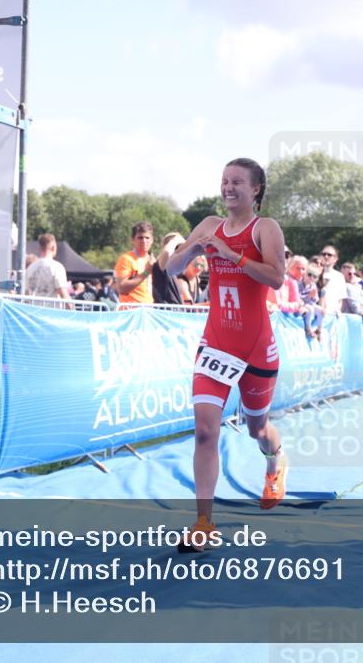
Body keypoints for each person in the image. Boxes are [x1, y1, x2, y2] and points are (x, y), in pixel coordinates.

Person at [166, 157, 288, 548]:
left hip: (256, 347)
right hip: (217, 343)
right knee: (205, 431)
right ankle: (204, 523)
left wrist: (232, 255)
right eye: (224, 181)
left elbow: (276, 278)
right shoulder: (208, 225)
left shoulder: (265, 228)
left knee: (257, 429)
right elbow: (171, 269)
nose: (228, 187)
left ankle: (275, 462)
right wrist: (190, 253)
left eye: (237, 182)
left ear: (256, 189)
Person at [115, 221, 156, 305]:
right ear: (133, 240)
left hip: (149, 309)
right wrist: (146, 272)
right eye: (140, 238)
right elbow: (121, 288)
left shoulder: (152, 260)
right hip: (130, 310)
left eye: (147, 238)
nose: (144, 241)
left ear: (152, 240)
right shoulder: (126, 259)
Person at [25, 233, 71, 304]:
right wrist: (72, 308)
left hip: (33, 309)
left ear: (40, 248)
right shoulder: (57, 267)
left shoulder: (30, 268)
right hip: (50, 310)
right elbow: (62, 293)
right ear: (53, 247)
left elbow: (26, 293)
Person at [152, 232, 186, 304]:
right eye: (178, 247)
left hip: (175, 310)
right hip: (164, 310)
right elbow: (166, 253)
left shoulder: (176, 270)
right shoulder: (160, 266)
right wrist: (175, 240)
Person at [319, 244, 346, 315]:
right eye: (323, 254)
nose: (326, 256)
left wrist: (337, 310)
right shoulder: (314, 274)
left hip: (332, 315)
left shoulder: (339, 277)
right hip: (317, 313)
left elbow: (340, 300)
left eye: (329, 255)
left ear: (335, 258)